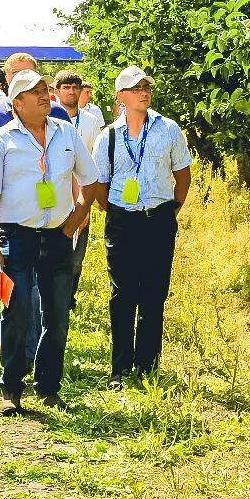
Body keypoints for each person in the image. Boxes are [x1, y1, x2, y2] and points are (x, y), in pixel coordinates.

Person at [0, 70, 98, 415]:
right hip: (16, 238)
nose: (45, 95)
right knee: (16, 313)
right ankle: (11, 388)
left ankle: (48, 387)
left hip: (57, 237)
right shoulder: (0, 141)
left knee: (57, 316)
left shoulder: (67, 134)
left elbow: (89, 182)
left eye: (46, 89)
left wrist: (73, 222)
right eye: (35, 92)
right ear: (17, 103)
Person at [91, 67, 192, 389]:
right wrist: (121, 213)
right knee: (122, 295)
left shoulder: (169, 129)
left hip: (159, 219)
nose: (144, 92)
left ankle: (148, 366)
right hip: (122, 220)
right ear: (120, 96)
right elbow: (99, 186)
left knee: (153, 295)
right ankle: (119, 369)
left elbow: (183, 176)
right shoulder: (108, 136)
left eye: (146, 86)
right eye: (136, 88)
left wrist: (168, 210)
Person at [53, 70, 104, 308]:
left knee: (77, 251)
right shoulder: (50, 118)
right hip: (55, 191)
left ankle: (68, 297)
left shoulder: (92, 121)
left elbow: (94, 160)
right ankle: (51, 294)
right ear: (57, 91)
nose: (72, 92)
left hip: (83, 191)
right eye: (66, 87)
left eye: (75, 87)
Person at [0, 53, 72, 132]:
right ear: (6, 78)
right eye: (15, 72)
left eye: (27, 71)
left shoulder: (57, 111)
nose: (21, 76)